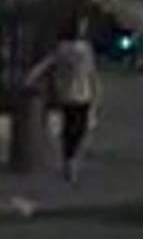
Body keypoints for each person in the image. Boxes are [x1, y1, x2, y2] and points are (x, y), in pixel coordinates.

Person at [29, 14, 100, 182]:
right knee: (78, 128)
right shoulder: (81, 50)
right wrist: (96, 92)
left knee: (71, 127)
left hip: (68, 92)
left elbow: (47, 64)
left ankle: (69, 160)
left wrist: (32, 77)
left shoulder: (63, 48)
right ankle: (71, 161)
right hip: (81, 93)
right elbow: (92, 74)